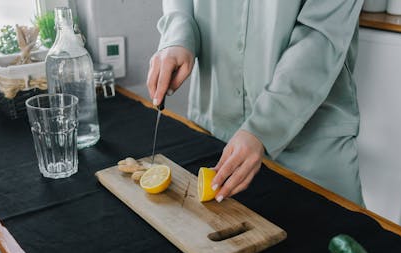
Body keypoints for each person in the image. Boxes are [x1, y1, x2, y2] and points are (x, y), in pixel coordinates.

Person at [147, 0, 365, 206]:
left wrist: (263, 127)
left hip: (310, 148)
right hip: (215, 134)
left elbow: (320, 38)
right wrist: (178, 35)